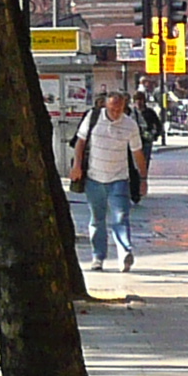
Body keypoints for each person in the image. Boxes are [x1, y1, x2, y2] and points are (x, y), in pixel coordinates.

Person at [72, 89, 146, 272]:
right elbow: (80, 143)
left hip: (119, 179)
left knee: (121, 217)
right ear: (106, 105)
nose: (115, 112)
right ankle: (98, 257)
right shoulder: (93, 117)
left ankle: (124, 253)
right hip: (94, 178)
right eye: (112, 108)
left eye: (119, 109)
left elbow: (138, 153)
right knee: (97, 219)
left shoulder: (130, 125)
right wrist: (77, 166)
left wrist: (143, 178)